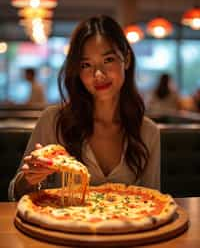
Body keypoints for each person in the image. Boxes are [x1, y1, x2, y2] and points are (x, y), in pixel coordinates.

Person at [9, 15, 160, 201]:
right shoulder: (53, 120)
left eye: (108, 60)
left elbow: (153, 200)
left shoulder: (148, 132)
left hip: (128, 229)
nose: (98, 74)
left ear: (126, 60)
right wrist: (30, 178)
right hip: (61, 228)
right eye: (86, 65)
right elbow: (15, 194)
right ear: (77, 70)